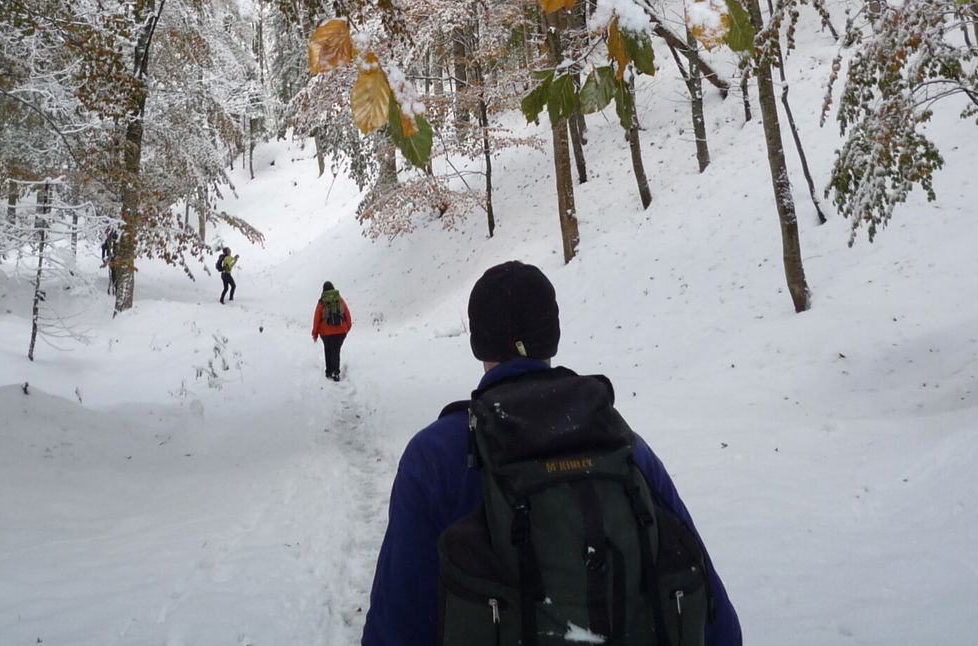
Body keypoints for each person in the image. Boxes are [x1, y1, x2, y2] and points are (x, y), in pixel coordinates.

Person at [361, 261, 742, 645]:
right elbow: (718, 622)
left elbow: (396, 624)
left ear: (478, 343)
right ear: (552, 337)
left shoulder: (435, 457)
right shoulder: (623, 445)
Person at [312, 280, 352, 380]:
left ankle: (329, 371)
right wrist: (347, 327)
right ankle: (336, 372)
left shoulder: (322, 301)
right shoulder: (339, 299)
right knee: (336, 350)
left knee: (328, 349)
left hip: (326, 333)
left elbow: (317, 319)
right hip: (341, 331)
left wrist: (315, 334)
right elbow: (347, 313)